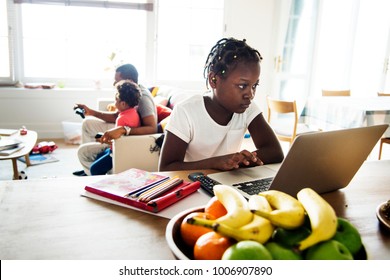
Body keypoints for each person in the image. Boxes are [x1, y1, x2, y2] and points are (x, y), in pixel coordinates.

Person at [158, 37, 284, 171]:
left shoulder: (248, 108)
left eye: (254, 86)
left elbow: (275, 152)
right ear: (214, 80)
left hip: (226, 183)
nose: (250, 94)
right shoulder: (186, 111)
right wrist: (215, 163)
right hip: (192, 186)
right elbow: (166, 168)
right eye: (242, 85)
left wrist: (241, 160)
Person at [73, 63, 157, 176]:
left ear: (130, 80)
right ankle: (90, 168)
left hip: (129, 132)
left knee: (89, 157)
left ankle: (92, 172)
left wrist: (123, 130)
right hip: (124, 126)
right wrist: (91, 112)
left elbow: (152, 128)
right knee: (87, 123)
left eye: (117, 80)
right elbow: (117, 116)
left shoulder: (143, 98)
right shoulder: (130, 92)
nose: (114, 83)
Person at [89, 80, 141, 175]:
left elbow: (117, 141)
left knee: (93, 169)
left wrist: (104, 139)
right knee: (98, 156)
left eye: (116, 100)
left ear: (123, 104)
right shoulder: (134, 112)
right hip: (120, 148)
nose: (114, 103)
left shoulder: (122, 119)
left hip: (117, 152)